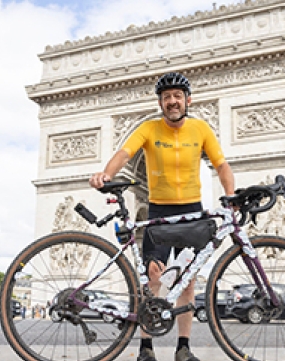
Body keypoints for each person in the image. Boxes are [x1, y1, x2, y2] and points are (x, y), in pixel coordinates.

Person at [90, 72, 235, 361]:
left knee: (188, 280)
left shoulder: (202, 129)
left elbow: (221, 165)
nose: (172, 101)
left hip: (191, 212)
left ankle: (183, 347)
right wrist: (107, 172)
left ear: (187, 100)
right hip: (159, 210)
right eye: (167, 97)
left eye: (177, 96)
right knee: (154, 277)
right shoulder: (149, 128)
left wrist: (231, 196)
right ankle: (146, 347)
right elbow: (125, 153)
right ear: (160, 102)